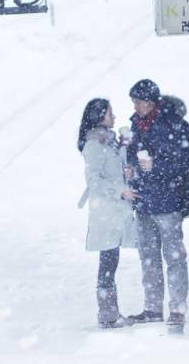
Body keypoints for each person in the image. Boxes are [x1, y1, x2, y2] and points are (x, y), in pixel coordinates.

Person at [125, 79, 189, 331]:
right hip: (144, 201)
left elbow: (188, 161)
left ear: (151, 102)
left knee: (174, 257)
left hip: (168, 200)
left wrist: (157, 166)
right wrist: (131, 166)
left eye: (138, 101)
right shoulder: (135, 125)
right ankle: (153, 308)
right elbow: (134, 153)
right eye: (133, 101)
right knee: (148, 257)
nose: (134, 106)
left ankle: (177, 309)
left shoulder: (176, 124)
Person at [78, 98, 138, 329]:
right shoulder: (95, 144)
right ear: (100, 115)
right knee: (107, 263)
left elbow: (113, 171)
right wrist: (120, 191)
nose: (114, 116)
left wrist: (127, 169)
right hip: (105, 212)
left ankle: (109, 313)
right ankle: (108, 313)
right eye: (110, 112)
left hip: (114, 211)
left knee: (110, 261)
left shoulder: (109, 141)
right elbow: (94, 180)